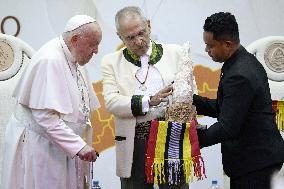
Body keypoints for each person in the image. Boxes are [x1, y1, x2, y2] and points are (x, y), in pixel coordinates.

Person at [1, 15, 102, 189]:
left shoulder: (72, 57)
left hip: (61, 145)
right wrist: (78, 146)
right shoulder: (50, 59)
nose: (96, 51)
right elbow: (45, 117)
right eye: (93, 44)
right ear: (75, 39)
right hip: (41, 147)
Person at [101, 6, 196, 189]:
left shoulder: (175, 53)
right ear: (119, 36)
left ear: (149, 25)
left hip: (171, 137)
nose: (138, 41)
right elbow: (112, 102)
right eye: (130, 37)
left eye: (141, 33)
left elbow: (192, 92)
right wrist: (148, 101)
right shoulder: (111, 62)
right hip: (134, 141)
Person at [193, 12, 284, 189]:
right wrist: (192, 100)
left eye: (210, 45)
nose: (206, 50)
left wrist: (193, 140)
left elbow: (228, 126)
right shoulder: (239, 61)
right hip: (257, 160)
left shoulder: (239, 74)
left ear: (227, 44)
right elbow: (226, 108)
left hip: (256, 164)